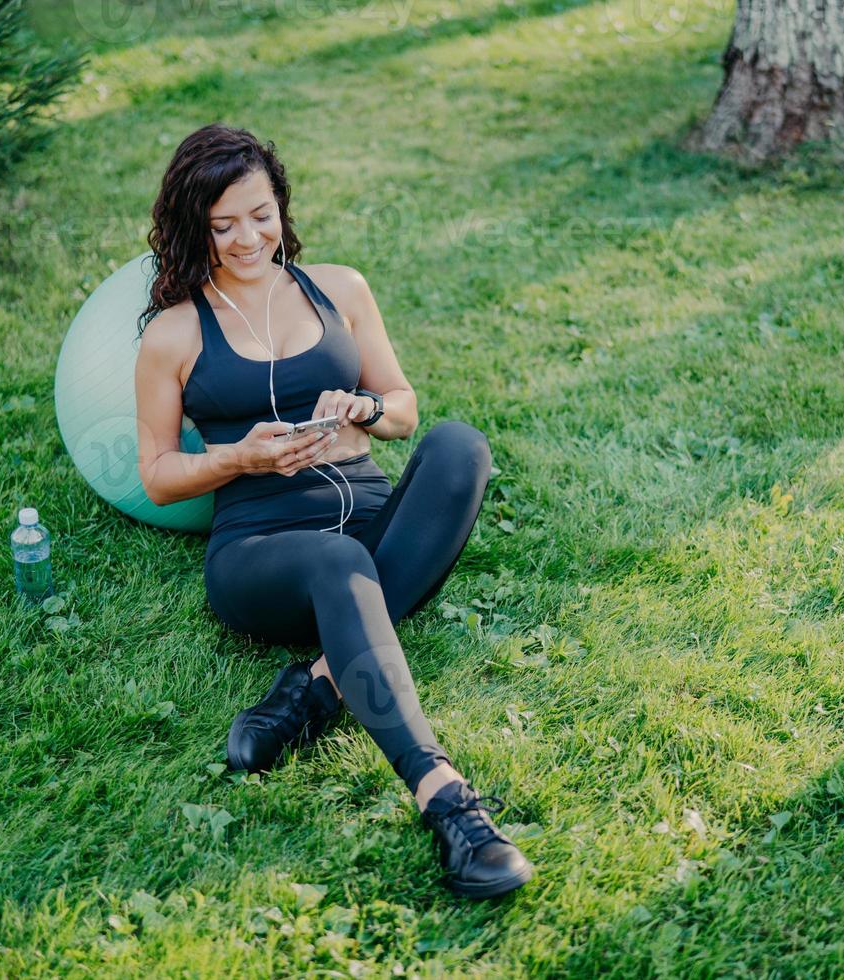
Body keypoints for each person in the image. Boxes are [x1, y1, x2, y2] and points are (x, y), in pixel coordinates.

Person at [132, 123, 533, 899]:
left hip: (368, 514)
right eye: (222, 226)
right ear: (195, 229)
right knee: (337, 561)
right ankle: (446, 799)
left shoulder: (340, 288)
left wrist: (367, 409)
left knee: (459, 446)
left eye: (259, 214)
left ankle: (312, 689)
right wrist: (239, 457)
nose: (247, 238)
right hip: (261, 552)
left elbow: (406, 409)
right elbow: (156, 476)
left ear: (280, 204)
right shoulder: (175, 333)